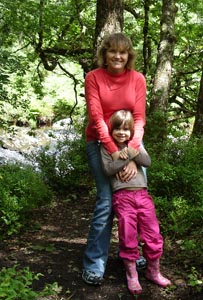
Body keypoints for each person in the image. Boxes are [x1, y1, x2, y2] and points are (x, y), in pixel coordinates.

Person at [82, 32, 147, 285]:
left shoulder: (137, 79)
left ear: (128, 55)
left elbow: (139, 119)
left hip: (131, 144)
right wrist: (115, 153)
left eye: (122, 52)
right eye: (112, 51)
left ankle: (130, 254)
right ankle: (94, 263)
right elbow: (97, 119)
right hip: (100, 143)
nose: (118, 56)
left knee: (134, 199)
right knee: (107, 203)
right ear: (105, 54)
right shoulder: (94, 78)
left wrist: (130, 153)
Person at [100, 110, 172, 294]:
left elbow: (147, 161)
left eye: (126, 129)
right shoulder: (107, 148)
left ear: (132, 131)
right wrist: (125, 156)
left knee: (152, 234)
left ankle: (153, 271)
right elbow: (108, 170)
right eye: (117, 128)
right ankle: (132, 275)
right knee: (128, 235)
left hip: (142, 196)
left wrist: (132, 151)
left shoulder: (136, 145)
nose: (122, 132)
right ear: (111, 130)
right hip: (123, 198)